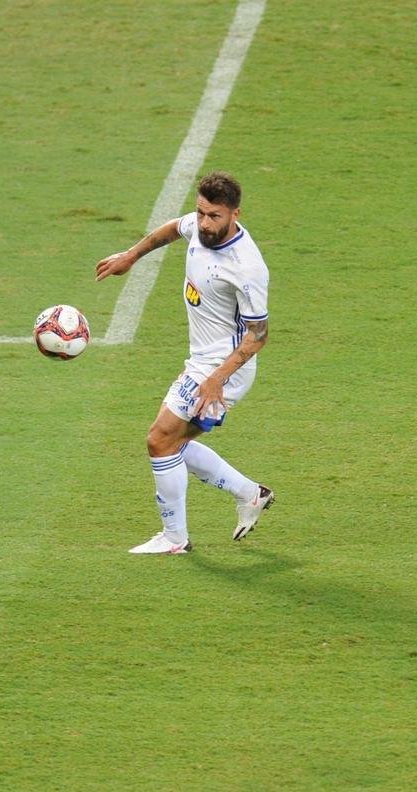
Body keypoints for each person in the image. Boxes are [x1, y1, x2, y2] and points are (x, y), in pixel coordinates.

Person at [95, 171, 274, 554]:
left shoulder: (246, 267)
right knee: (172, 442)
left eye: (215, 217)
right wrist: (131, 255)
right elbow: (175, 228)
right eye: (201, 212)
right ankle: (250, 494)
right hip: (202, 361)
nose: (204, 223)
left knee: (160, 440)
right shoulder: (200, 226)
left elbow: (258, 336)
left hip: (224, 369)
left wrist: (216, 379)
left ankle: (175, 539)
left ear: (235, 214)